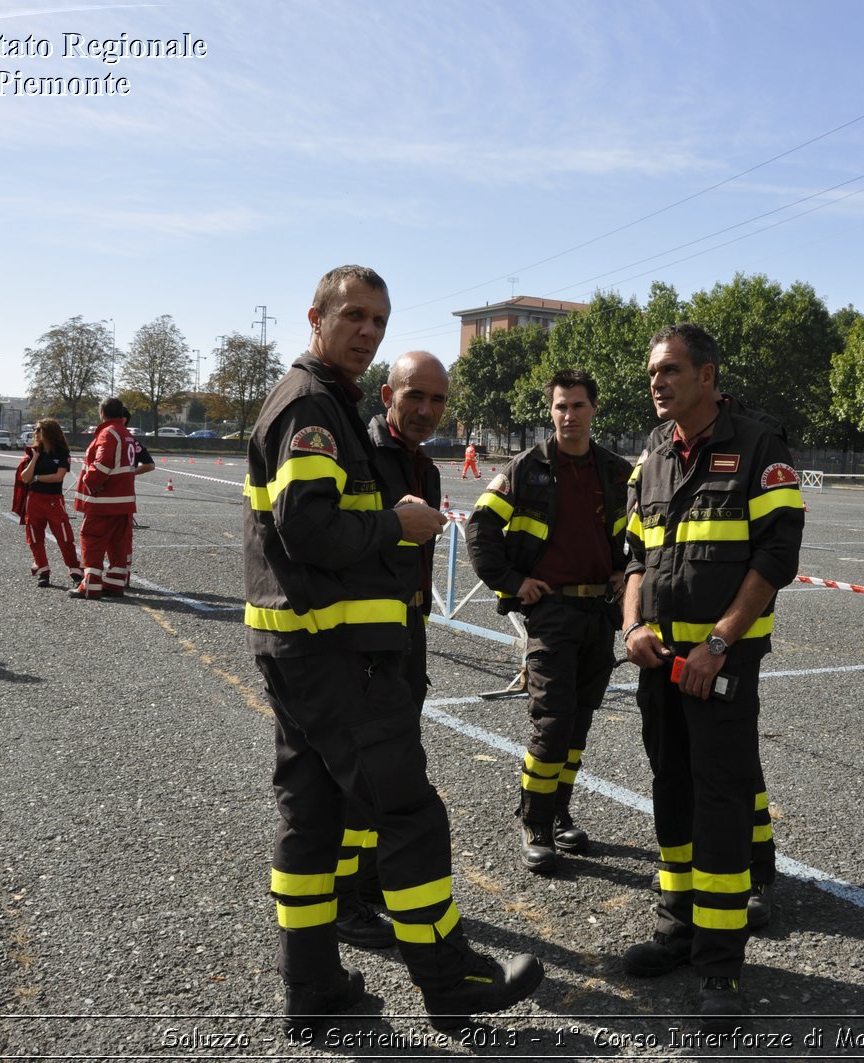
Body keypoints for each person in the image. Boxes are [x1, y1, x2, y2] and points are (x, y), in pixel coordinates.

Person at [243, 265, 543, 1036]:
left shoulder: (325, 403)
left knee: (310, 822)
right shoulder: (312, 405)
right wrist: (394, 527)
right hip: (333, 656)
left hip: (303, 652)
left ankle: (310, 988)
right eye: (354, 316)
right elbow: (305, 529)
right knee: (408, 815)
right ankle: (452, 984)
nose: (367, 331)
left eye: (378, 319)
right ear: (316, 316)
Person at [619, 323, 804, 1030]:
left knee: (721, 806)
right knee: (671, 792)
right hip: (660, 667)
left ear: (707, 374)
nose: (657, 382)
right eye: (651, 373)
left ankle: (721, 966)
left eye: (668, 370)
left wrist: (720, 643)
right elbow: (634, 555)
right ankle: (679, 926)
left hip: (720, 668)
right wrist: (633, 625)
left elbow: (775, 559)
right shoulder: (654, 455)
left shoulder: (760, 448)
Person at [465, 369, 631, 875]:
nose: (568, 415)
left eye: (578, 405)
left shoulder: (616, 470)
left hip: (599, 612)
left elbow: (639, 532)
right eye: (560, 406)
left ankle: (559, 814)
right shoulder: (524, 468)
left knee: (578, 723)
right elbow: (480, 528)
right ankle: (535, 822)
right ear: (551, 410)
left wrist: (629, 571)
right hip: (553, 613)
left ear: (593, 409)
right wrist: (514, 582)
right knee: (552, 721)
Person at [329, 350, 451, 951]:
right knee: (359, 776)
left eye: (438, 400)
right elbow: (328, 537)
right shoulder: (359, 454)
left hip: (408, 635)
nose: (426, 410)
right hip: (362, 641)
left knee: (395, 767)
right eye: (415, 396)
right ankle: (342, 898)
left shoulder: (424, 467)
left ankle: (371, 881)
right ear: (387, 396)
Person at [71, 398, 139, 599]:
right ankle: (114, 584)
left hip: (103, 501)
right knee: (118, 543)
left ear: (102, 412)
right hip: (123, 501)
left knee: (91, 539)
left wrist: (89, 479)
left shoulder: (108, 433)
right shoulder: (126, 433)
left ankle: (90, 586)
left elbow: (102, 463)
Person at [15, 419, 82, 588]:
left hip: (53, 500)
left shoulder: (61, 452)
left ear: (49, 432)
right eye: (34, 429)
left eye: (38, 429)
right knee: (35, 537)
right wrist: (35, 457)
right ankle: (43, 571)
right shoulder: (33, 452)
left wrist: (37, 478)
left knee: (64, 537)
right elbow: (24, 477)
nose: (35, 433)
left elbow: (58, 477)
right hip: (34, 500)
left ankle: (75, 570)